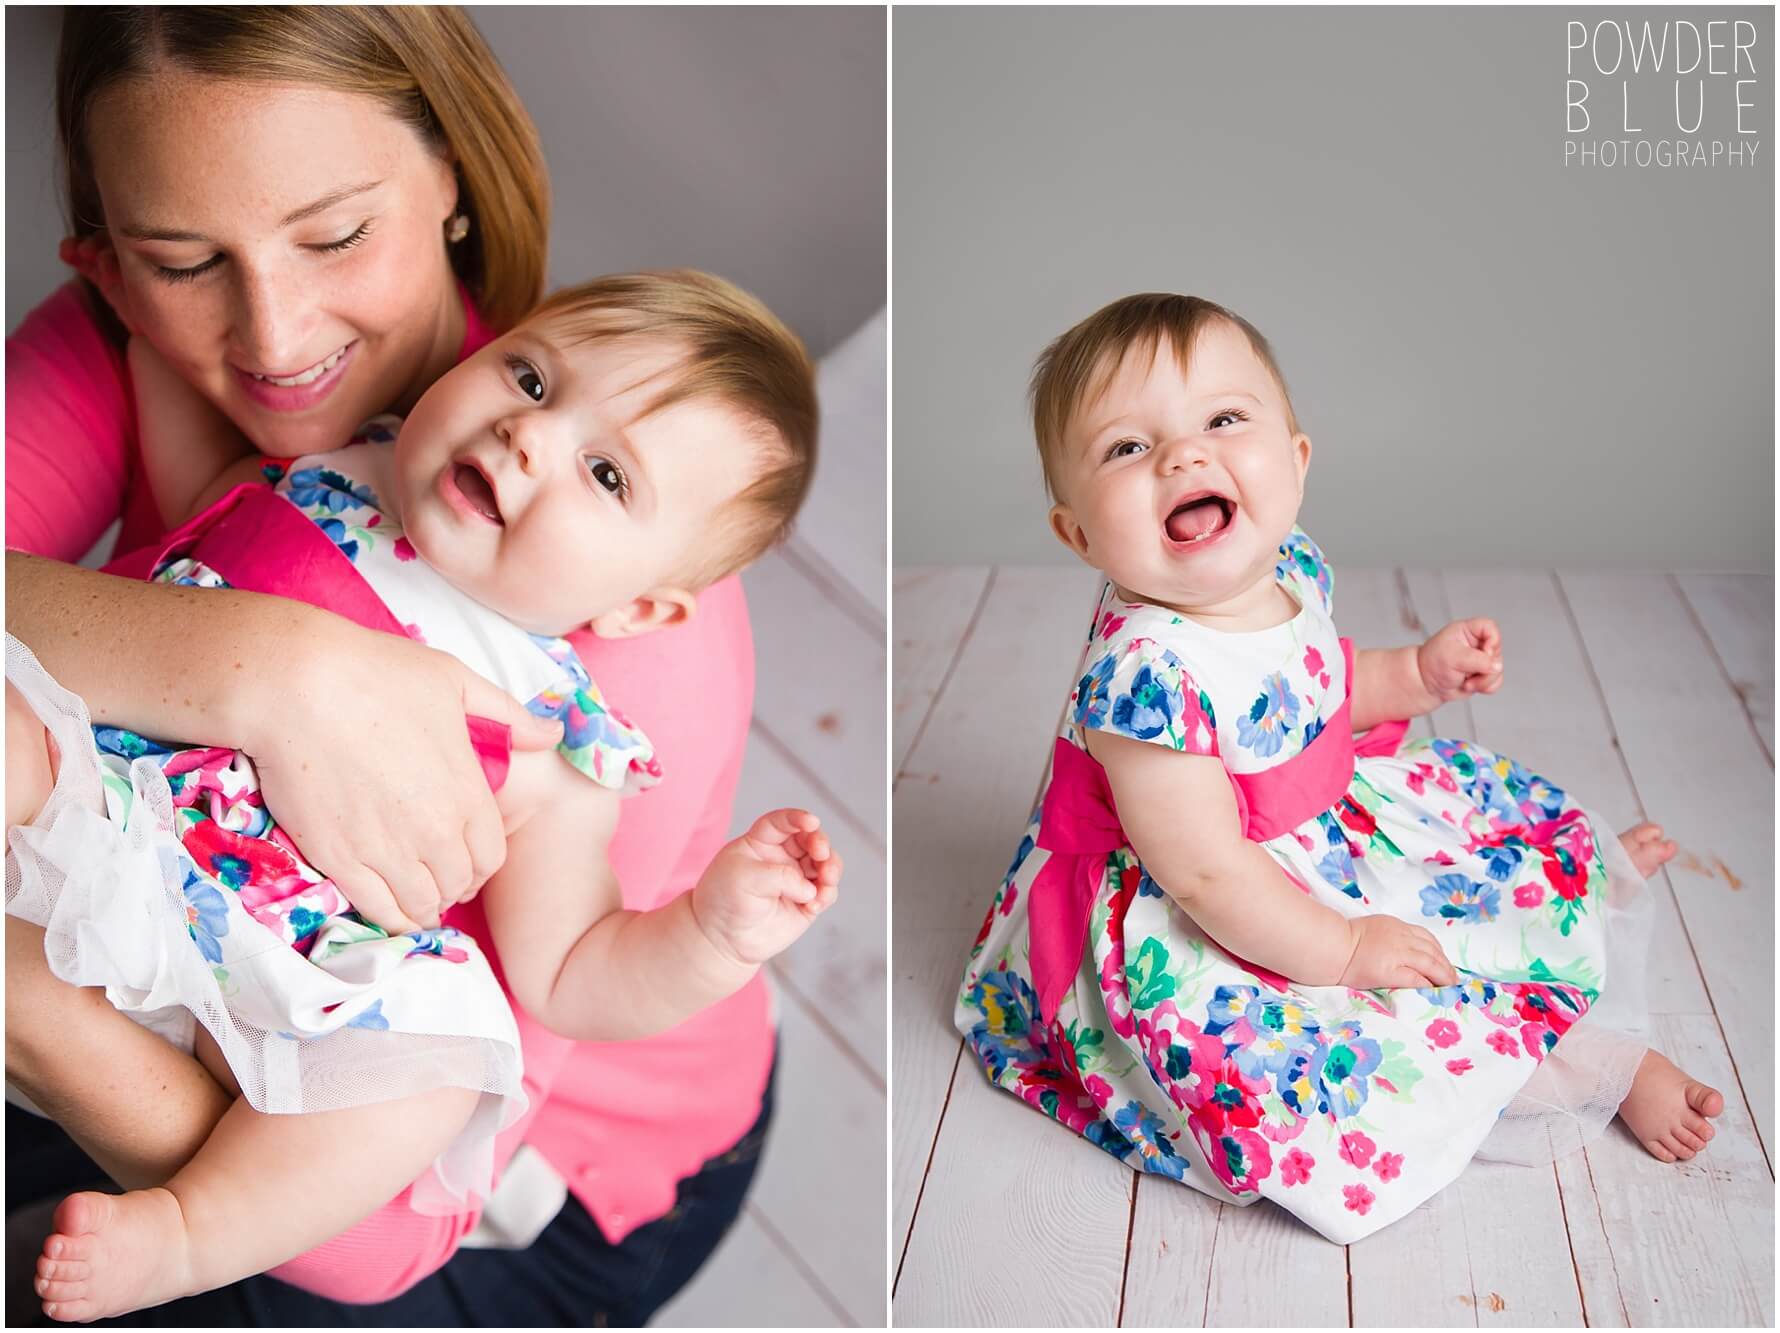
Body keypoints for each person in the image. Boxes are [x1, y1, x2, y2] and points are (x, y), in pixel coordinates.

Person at [8, 10, 782, 1322]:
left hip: (493, 1194)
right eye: (184, 260)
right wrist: (260, 665)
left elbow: (379, 1235)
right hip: (178, 929)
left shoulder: (629, 622)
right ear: (109, 265)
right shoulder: (146, 354)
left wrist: (27, 1001)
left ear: (451, 185)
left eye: (333, 234)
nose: (273, 332)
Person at [954, 292, 1725, 1244]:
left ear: (1295, 462)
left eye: (1224, 420)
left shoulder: (1288, 568)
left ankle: (1568, 886)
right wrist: (1343, 951)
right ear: (1078, 535)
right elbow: (1201, 870)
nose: (1184, 457)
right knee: (1356, 1033)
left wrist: (1416, 675)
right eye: (1126, 448)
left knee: (1474, 856)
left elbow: (1316, 687)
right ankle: (1601, 1071)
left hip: (1319, 829)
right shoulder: (1144, 677)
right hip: (1219, 901)